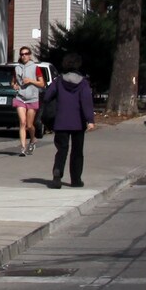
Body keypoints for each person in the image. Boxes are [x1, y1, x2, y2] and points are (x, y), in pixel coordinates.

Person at [49, 52, 96, 188]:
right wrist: (90, 120)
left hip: (61, 121)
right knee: (77, 151)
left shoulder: (58, 81)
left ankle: (57, 171)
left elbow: (47, 96)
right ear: (78, 64)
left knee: (62, 149)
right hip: (78, 122)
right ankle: (76, 179)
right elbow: (86, 101)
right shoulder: (83, 83)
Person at [12, 45, 42, 155]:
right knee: (22, 123)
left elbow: (42, 83)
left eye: (26, 54)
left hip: (32, 97)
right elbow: (13, 82)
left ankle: (33, 139)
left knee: (29, 125)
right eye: (22, 54)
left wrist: (31, 81)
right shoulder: (17, 68)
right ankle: (23, 148)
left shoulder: (35, 68)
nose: (24, 56)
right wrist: (14, 85)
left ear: (29, 55)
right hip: (20, 97)